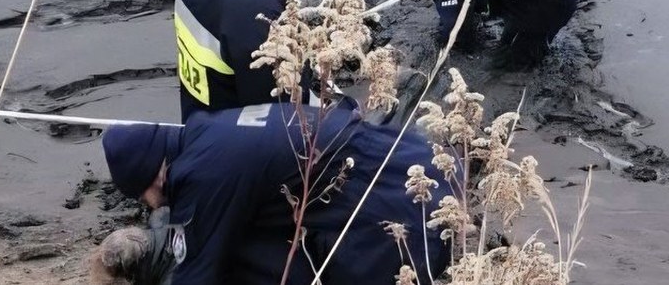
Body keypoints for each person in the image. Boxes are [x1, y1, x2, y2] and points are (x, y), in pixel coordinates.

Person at [96, 102, 451, 285]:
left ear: (151, 178)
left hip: (393, 195)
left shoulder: (201, 175)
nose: (146, 204)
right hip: (402, 155)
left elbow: (196, 272)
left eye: (140, 195)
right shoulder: (205, 130)